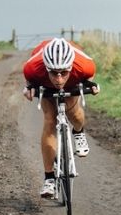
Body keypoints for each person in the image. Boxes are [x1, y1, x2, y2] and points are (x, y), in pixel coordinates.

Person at [22, 37, 99, 198]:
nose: (59, 79)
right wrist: (29, 88)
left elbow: (89, 77)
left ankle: (78, 132)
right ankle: (49, 178)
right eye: (54, 73)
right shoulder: (33, 67)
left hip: (73, 83)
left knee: (74, 113)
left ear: (70, 67)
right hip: (44, 85)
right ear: (46, 68)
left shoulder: (84, 65)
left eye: (63, 73)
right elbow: (29, 81)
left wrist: (89, 85)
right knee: (50, 119)